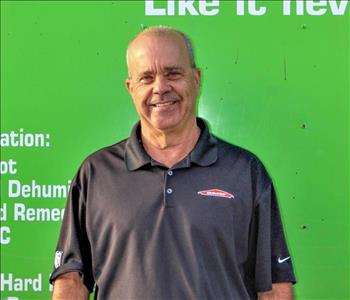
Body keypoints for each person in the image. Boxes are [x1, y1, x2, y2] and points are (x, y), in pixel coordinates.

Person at [50, 25, 296, 300]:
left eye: (173, 73)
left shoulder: (245, 173)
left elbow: (275, 287)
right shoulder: (95, 174)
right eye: (146, 77)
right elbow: (71, 280)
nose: (160, 88)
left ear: (196, 79)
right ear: (131, 88)